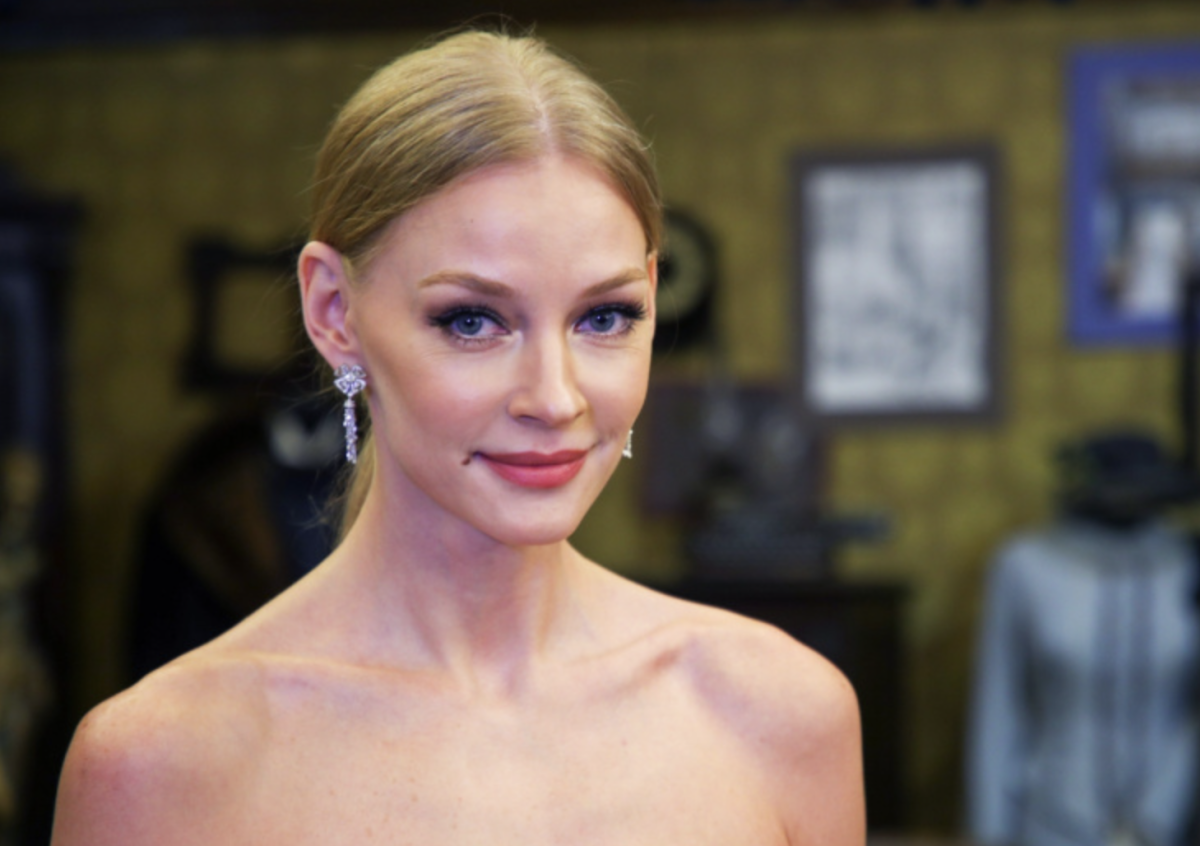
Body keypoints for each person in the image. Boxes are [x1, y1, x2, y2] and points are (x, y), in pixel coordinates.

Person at [50, 30, 864, 845]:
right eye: (472, 321)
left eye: (604, 317)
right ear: (333, 312)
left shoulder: (779, 713)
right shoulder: (159, 766)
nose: (555, 398)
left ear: (653, 294)